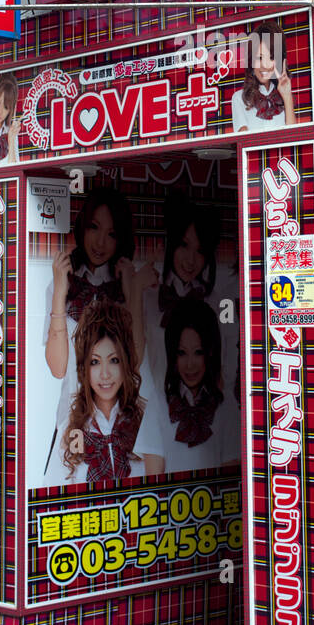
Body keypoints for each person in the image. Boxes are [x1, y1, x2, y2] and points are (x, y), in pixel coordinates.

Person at [42, 186, 145, 473]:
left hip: (122, 418)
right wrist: (60, 291)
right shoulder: (64, 282)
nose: (100, 242)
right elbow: (58, 367)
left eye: (111, 234)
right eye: (94, 228)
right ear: (82, 227)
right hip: (74, 421)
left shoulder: (127, 283)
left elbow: (135, 360)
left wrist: (131, 292)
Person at [138, 194, 238, 400]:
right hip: (156, 413)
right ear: (172, 243)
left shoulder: (221, 302)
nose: (191, 260)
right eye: (184, 245)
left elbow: (229, 357)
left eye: (200, 251)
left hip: (205, 414)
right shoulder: (148, 295)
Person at [45, 300, 145, 487]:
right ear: (84, 368)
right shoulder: (72, 428)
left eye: (114, 360)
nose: (105, 374)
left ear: (126, 362)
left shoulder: (144, 422)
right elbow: (52, 498)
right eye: (95, 362)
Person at [136, 299, 240, 475]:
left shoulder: (225, 402)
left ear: (211, 352)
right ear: (172, 354)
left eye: (198, 352)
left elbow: (229, 478)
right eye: (182, 353)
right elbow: (153, 477)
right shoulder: (159, 401)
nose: (190, 365)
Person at [231, 20, 296, 132]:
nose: (265, 65)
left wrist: (287, 96)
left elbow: (294, 137)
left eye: (271, 58)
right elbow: (244, 142)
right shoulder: (239, 98)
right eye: (259, 58)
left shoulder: (283, 97)